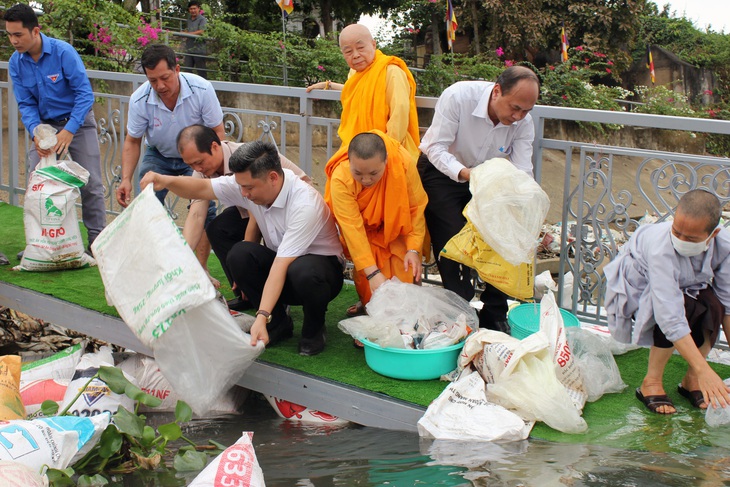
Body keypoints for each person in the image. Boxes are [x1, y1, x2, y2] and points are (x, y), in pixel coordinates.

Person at [140, 141, 344, 356]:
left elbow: (281, 264)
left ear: (273, 178)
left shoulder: (305, 203)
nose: (244, 194)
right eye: (241, 187)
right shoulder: (250, 183)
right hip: (285, 268)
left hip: (321, 275)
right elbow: (202, 188)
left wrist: (261, 315)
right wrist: (163, 180)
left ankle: (313, 329)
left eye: (249, 188)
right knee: (240, 254)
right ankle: (279, 325)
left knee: (303, 270)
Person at [307, 23, 421, 316]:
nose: (355, 55)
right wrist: (332, 86)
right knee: (360, 235)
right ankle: (370, 299)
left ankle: (399, 306)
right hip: (357, 161)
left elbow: (397, 117)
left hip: (387, 162)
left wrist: (386, 164)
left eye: (360, 47)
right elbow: (357, 94)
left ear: (373, 44)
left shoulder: (392, 71)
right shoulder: (355, 76)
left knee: (396, 234)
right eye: (348, 51)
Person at [418, 66, 540, 332]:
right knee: (452, 238)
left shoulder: (523, 122)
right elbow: (435, 147)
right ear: (497, 91)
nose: (518, 116)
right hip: (444, 171)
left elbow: (522, 169)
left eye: (526, 111)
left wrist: (524, 206)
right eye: (515, 108)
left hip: (488, 180)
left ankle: (494, 311)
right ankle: (460, 308)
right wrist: (466, 173)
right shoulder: (459, 97)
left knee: (509, 236)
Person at [604, 189, 730, 414]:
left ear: (713, 235)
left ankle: (692, 381)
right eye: (676, 231)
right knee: (683, 307)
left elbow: (728, 304)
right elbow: (669, 315)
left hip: (688, 286)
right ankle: (650, 382)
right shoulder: (661, 249)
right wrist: (706, 370)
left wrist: (702, 372)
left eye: (690, 238)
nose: (680, 241)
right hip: (641, 286)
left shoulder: (725, 246)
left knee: (714, 306)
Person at [176, 124, 311, 311]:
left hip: (287, 208)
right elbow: (197, 214)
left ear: (215, 146)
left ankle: (273, 299)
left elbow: (260, 209)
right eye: (191, 165)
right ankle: (247, 294)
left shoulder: (247, 158)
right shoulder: (201, 171)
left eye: (199, 162)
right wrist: (182, 259)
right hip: (254, 207)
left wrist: (245, 261)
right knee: (218, 229)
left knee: (247, 253)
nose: (197, 168)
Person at [5, 3, 106, 249]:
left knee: (91, 183)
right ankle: (42, 244)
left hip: (78, 123)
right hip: (44, 127)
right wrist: (36, 134)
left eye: (18, 34)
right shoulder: (15, 63)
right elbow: (26, 103)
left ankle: (97, 241)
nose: (13, 41)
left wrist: (69, 130)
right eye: (9, 35)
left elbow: (84, 94)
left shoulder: (64, 52)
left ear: (35, 31)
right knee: (38, 183)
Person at [325, 130, 427, 309]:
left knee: (405, 291)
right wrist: (372, 273)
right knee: (372, 297)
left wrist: (413, 248)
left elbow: (416, 207)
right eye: (358, 173)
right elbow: (351, 227)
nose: (366, 179)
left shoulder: (401, 162)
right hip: (365, 239)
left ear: (386, 160)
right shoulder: (341, 177)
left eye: (373, 173)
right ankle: (365, 303)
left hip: (398, 233)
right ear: (349, 162)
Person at [183, 0, 207, 78]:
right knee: (187, 70)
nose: (193, 11)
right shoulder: (189, 19)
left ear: (198, 9)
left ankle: (204, 88)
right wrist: (183, 33)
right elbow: (188, 30)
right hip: (189, 49)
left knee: (201, 71)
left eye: (194, 8)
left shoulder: (202, 19)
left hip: (199, 49)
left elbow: (202, 31)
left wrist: (188, 34)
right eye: (191, 9)